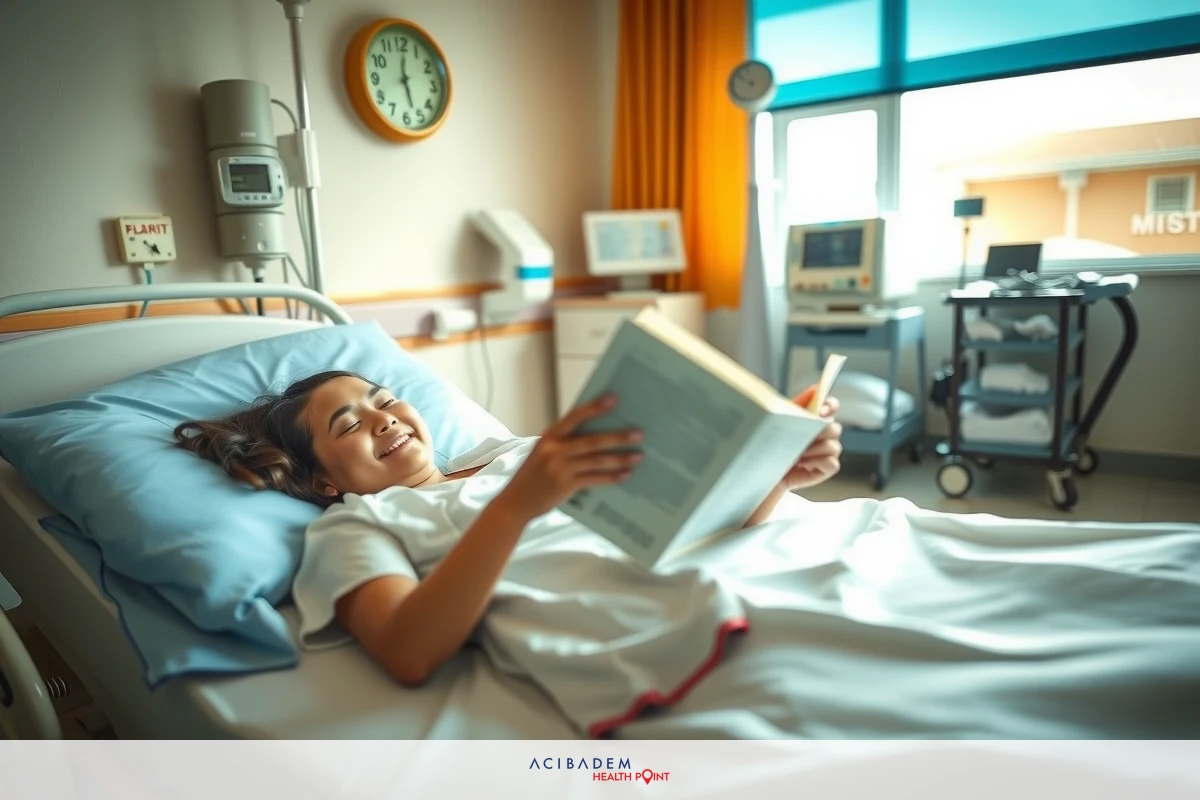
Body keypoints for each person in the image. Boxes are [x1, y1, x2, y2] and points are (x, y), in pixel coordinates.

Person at [174, 370, 842, 688]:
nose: (382, 418)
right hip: (664, 615)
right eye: (348, 425)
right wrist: (514, 509)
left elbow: (695, 526)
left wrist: (774, 475)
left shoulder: (515, 451)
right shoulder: (357, 525)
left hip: (741, 566)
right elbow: (407, 650)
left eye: (382, 399)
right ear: (325, 483)